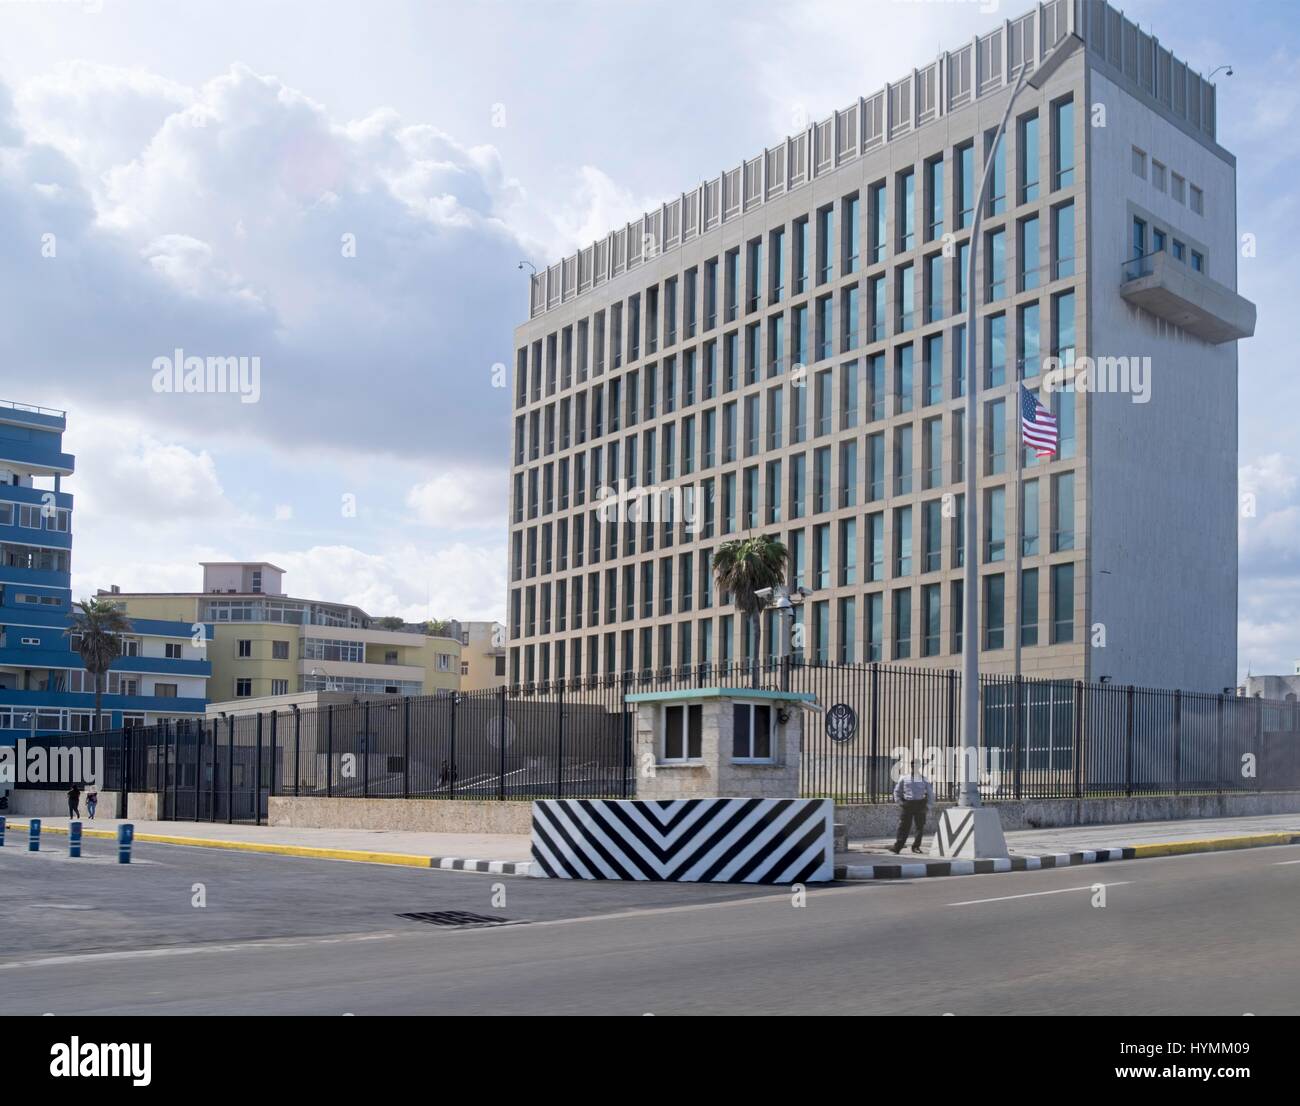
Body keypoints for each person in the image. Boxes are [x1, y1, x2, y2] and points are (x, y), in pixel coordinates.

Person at [890, 760, 930, 855]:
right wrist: (900, 802)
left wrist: (928, 806)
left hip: (920, 804)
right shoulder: (904, 778)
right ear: (911, 766)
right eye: (913, 766)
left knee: (919, 827)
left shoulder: (924, 779)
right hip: (908, 804)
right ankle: (897, 847)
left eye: (916, 766)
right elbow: (897, 791)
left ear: (919, 767)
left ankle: (916, 846)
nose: (914, 768)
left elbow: (930, 794)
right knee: (903, 827)